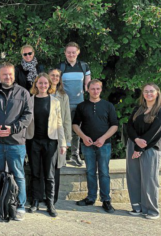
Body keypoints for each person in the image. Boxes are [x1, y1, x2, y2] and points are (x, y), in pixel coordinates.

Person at [0, 62, 33, 221]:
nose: (7, 77)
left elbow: (27, 116)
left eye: (10, 74)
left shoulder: (23, 93)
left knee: (18, 175)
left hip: (15, 143)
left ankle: (20, 206)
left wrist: (13, 128)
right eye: (4, 74)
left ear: (14, 75)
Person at [72, 80, 118, 213]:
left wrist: (103, 138)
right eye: (92, 89)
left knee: (104, 172)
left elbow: (114, 125)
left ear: (101, 90)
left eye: (98, 89)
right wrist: (83, 137)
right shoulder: (81, 106)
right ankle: (91, 197)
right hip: (87, 145)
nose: (95, 91)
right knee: (90, 172)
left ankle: (106, 200)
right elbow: (75, 124)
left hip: (104, 145)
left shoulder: (108, 106)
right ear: (87, 89)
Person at [126, 83, 161, 220]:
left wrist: (140, 147)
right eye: (146, 91)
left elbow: (156, 131)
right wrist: (136, 140)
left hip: (150, 147)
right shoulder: (138, 108)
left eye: (151, 91)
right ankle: (137, 207)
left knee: (149, 179)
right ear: (143, 94)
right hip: (134, 145)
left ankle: (152, 210)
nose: (148, 94)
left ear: (157, 93)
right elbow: (129, 126)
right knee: (133, 177)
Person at [27, 73, 66, 217]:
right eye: (40, 83)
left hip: (51, 141)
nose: (43, 86)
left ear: (49, 85)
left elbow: (59, 123)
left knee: (49, 175)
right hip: (33, 141)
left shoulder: (55, 101)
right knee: (35, 173)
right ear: (36, 84)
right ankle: (35, 201)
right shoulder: (29, 101)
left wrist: (62, 143)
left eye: (45, 83)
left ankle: (50, 203)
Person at [58, 42, 91, 167]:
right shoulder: (61, 66)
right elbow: (57, 85)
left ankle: (74, 155)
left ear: (78, 52)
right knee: (63, 129)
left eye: (73, 52)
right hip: (64, 104)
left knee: (77, 130)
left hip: (80, 104)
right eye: (68, 52)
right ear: (65, 53)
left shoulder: (84, 66)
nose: (71, 54)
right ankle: (63, 156)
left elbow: (88, 85)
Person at [49, 68, 72, 204]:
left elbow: (67, 119)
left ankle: (54, 198)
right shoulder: (43, 92)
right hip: (44, 135)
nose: (55, 78)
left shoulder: (64, 96)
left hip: (59, 136)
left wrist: (67, 140)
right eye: (52, 75)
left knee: (56, 167)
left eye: (57, 76)